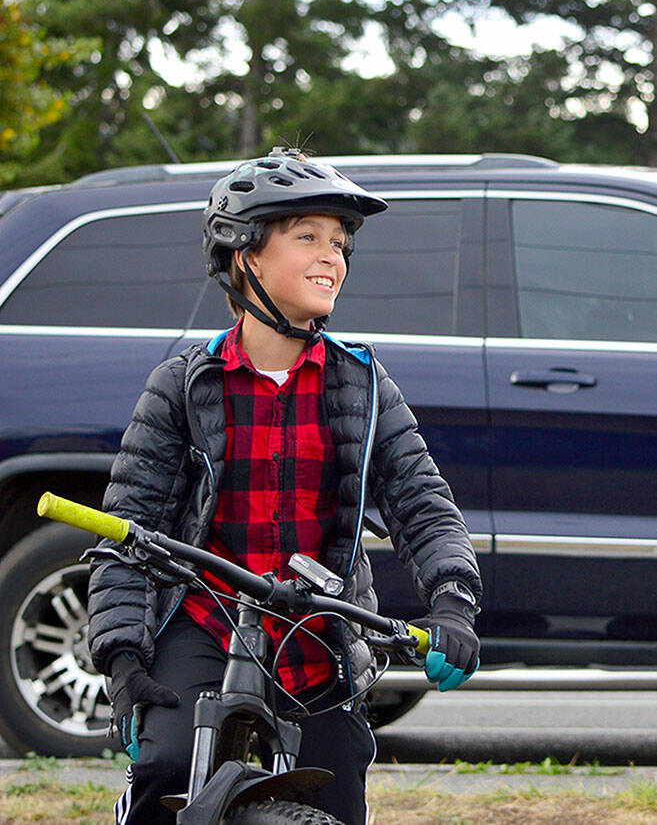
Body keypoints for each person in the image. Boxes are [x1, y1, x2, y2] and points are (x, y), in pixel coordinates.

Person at [86, 147, 483, 825]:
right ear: (246, 256)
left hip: (316, 631)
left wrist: (453, 603)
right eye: (308, 237)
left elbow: (422, 502)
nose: (333, 256)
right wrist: (122, 656)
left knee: (339, 785)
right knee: (164, 765)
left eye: (341, 243)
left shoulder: (360, 382)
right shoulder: (184, 383)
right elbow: (129, 530)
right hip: (206, 621)